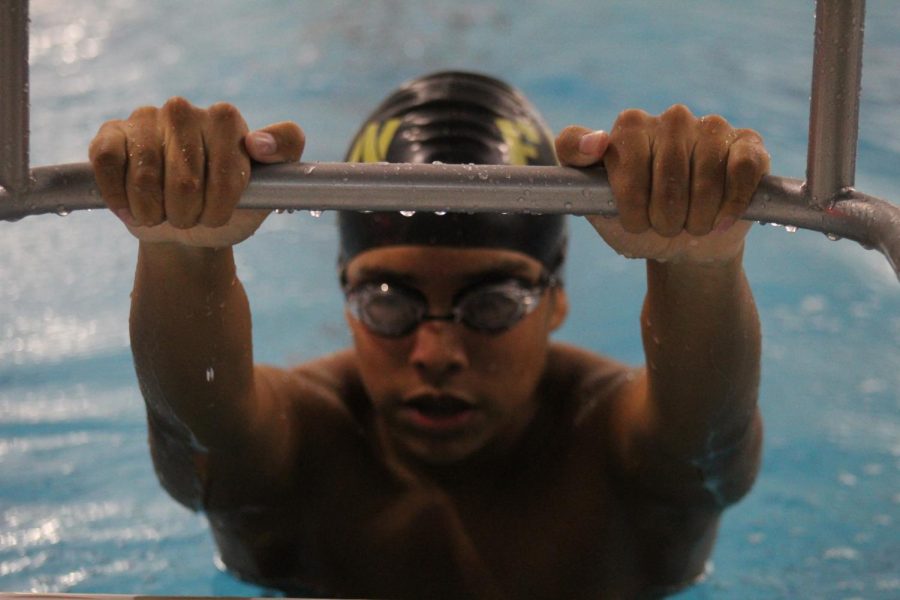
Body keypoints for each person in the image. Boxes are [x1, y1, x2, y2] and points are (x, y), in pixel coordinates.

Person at [88, 71, 768, 599]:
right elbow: (194, 437)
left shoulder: (617, 453)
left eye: (495, 303)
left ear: (556, 299)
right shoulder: (299, 448)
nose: (437, 354)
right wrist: (181, 249)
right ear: (343, 292)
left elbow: (713, 441)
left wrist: (698, 262)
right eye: (388, 303)